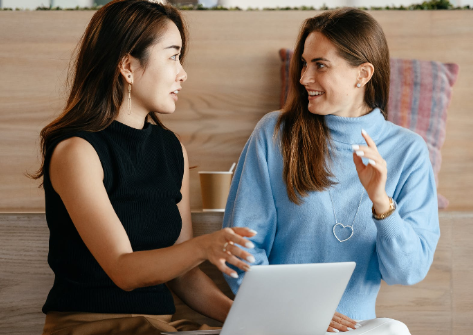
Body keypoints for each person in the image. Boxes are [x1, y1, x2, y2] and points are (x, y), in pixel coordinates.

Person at [30, 1, 256, 334]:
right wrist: (204, 246)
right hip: (92, 326)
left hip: (157, 325)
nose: (183, 73)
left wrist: (252, 318)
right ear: (128, 67)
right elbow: (124, 271)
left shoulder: (171, 148)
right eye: (173, 56)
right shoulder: (77, 152)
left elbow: (183, 274)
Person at [223, 8, 440, 334]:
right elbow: (239, 251)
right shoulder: (275, 134)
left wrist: (381, 202)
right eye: (304, 63)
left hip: (356, 328)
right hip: (278, 323)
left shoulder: (408, 151)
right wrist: (299, 313)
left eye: (320, 65)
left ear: (362, 74)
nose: (304, 78)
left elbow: (406, 272)